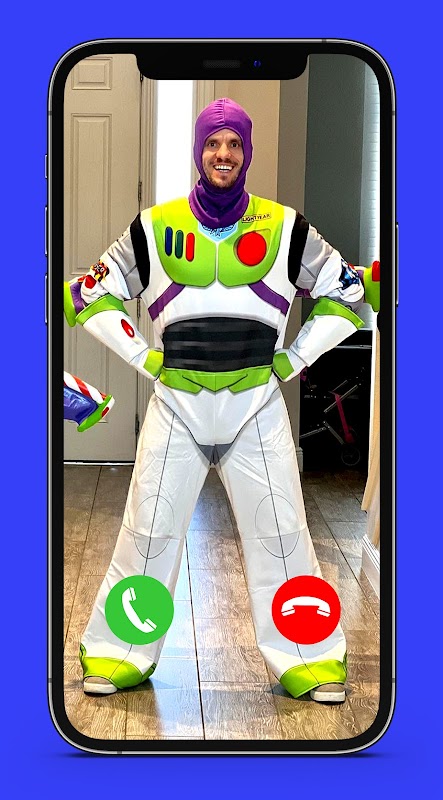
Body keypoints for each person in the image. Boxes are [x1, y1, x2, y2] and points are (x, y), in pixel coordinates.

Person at [65, 97, 367, 703]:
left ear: (246, 151)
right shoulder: (153, 227)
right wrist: (144, 358)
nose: (223, 154)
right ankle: (120, 650)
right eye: (213, 143)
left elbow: (351, 293)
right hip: (176, 407)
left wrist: (295, 358)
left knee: (283, 534)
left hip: (256, 408)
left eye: (233, 143)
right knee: (148, 532)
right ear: (198, 151)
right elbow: (89, 293)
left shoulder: (287, 228)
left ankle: (309, 657)